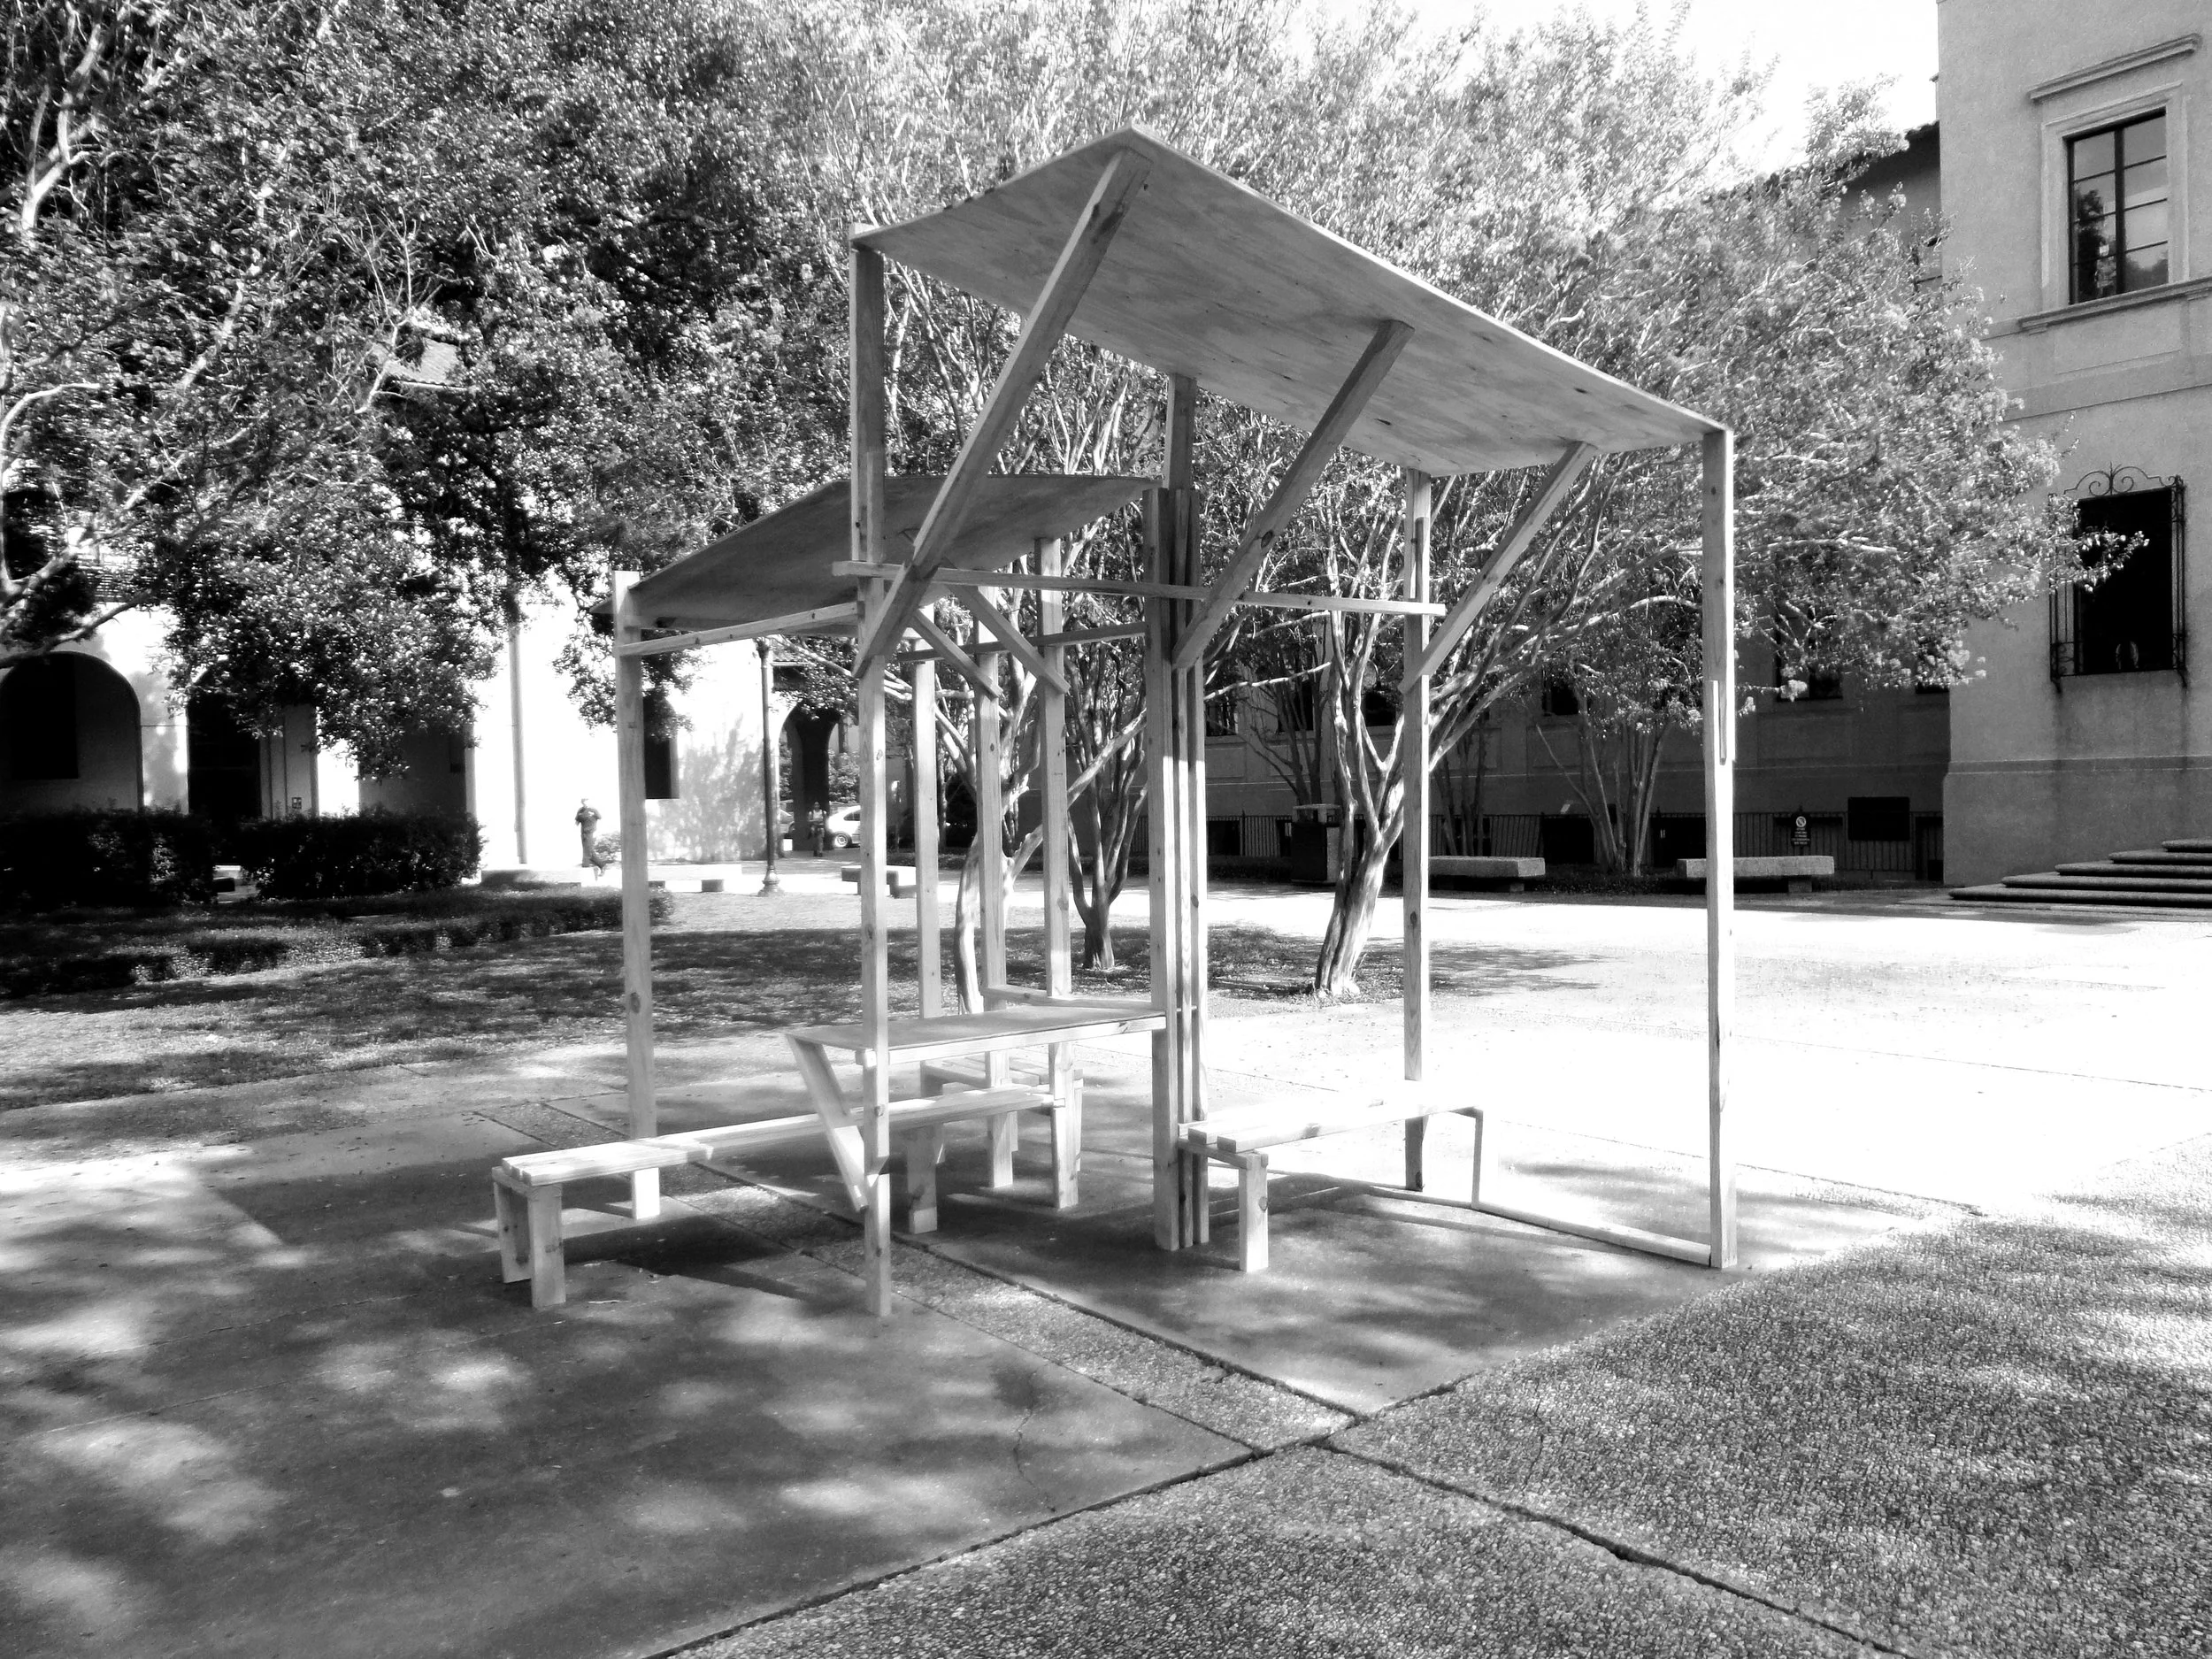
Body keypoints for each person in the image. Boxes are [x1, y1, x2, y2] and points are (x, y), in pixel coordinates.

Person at [576, 799, 607, 875]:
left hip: (591, 833)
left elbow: (600, 817)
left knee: (588, 852)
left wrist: (592, 810)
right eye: (583, 801)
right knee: (588, 852)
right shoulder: (580, 810)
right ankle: (601, 866)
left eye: (586, 800)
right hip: (583, 834)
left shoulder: (594, 810)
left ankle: (601, 866)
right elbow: (577, 822)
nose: (584, 802)